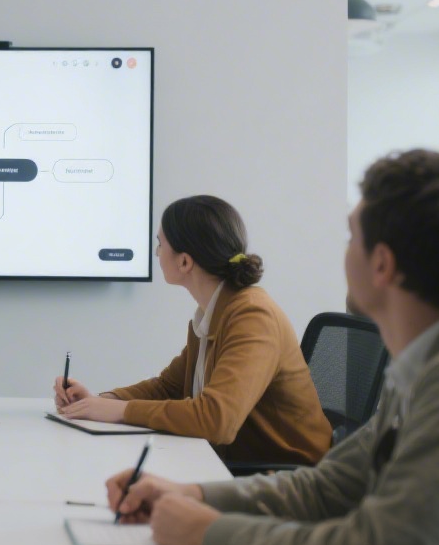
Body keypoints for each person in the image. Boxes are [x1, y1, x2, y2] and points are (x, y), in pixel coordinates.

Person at [104, 150, 439, 545]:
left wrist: (206, 531)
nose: (342, 252)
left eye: (350, 236)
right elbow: (328, 487)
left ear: (380, 265)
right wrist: (190, 495)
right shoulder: (437, 359)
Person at [54, 195, 331, 465]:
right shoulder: (214, 313)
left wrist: (121, 411)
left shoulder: (252, 316)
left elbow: (216, 420)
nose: (156, 253)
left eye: (160, 244)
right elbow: (168, 387)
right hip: (237, 464)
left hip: (289, 479)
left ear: (185, 262)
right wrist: (101, 401)